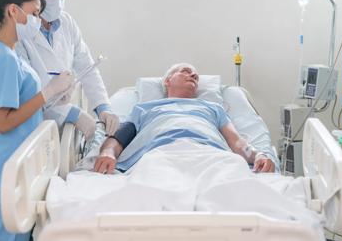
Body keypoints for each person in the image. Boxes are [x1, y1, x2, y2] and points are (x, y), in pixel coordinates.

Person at [0, 0, 73, 241]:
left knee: (18, 235)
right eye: (35, 13)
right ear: (14, 11)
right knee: (8, 235)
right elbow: (4, 122)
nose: (38, 21)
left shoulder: (8, 52)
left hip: (17, 159)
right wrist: (47, 93)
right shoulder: (4, 59)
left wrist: (52, 96)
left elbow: (22, 104)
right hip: (8, 161)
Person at [94, 63, 276, 174]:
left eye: (195, 76)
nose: (194, 76)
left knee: (230, 177)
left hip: (211, 155)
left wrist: (258, 154)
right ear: (167, 80)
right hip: (159, 154)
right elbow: (118, 139)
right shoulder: (144, 109)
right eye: (186, 72)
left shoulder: (214, 108)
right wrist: (107, 153)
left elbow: (236, 142)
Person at [15, 0, 119, 139]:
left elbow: (87, 68)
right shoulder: (19, 31)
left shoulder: (67, 23)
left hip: (62, 128)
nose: (57, 1)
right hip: (31, 128)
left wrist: (103, 108)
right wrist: (71, 113)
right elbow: (24, 97)